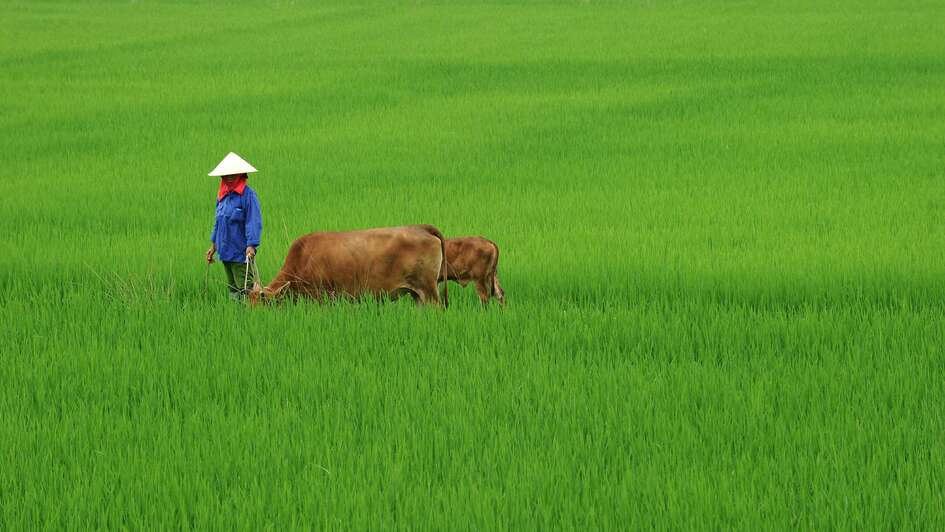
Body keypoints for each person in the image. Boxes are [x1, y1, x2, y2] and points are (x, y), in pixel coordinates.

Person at [205, 152, 263, 300]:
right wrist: (213, 246)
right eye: (226, 174)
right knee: (232, 289)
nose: (229, 177)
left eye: (233, 173)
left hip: (241, 253)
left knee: (247, 290)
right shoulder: (222, 197)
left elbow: (253, 221)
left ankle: (251, 316)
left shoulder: (248, 196)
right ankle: (236, 314)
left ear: (241, 174)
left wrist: (251, 245)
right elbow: (218, 223)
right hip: (225, 252)